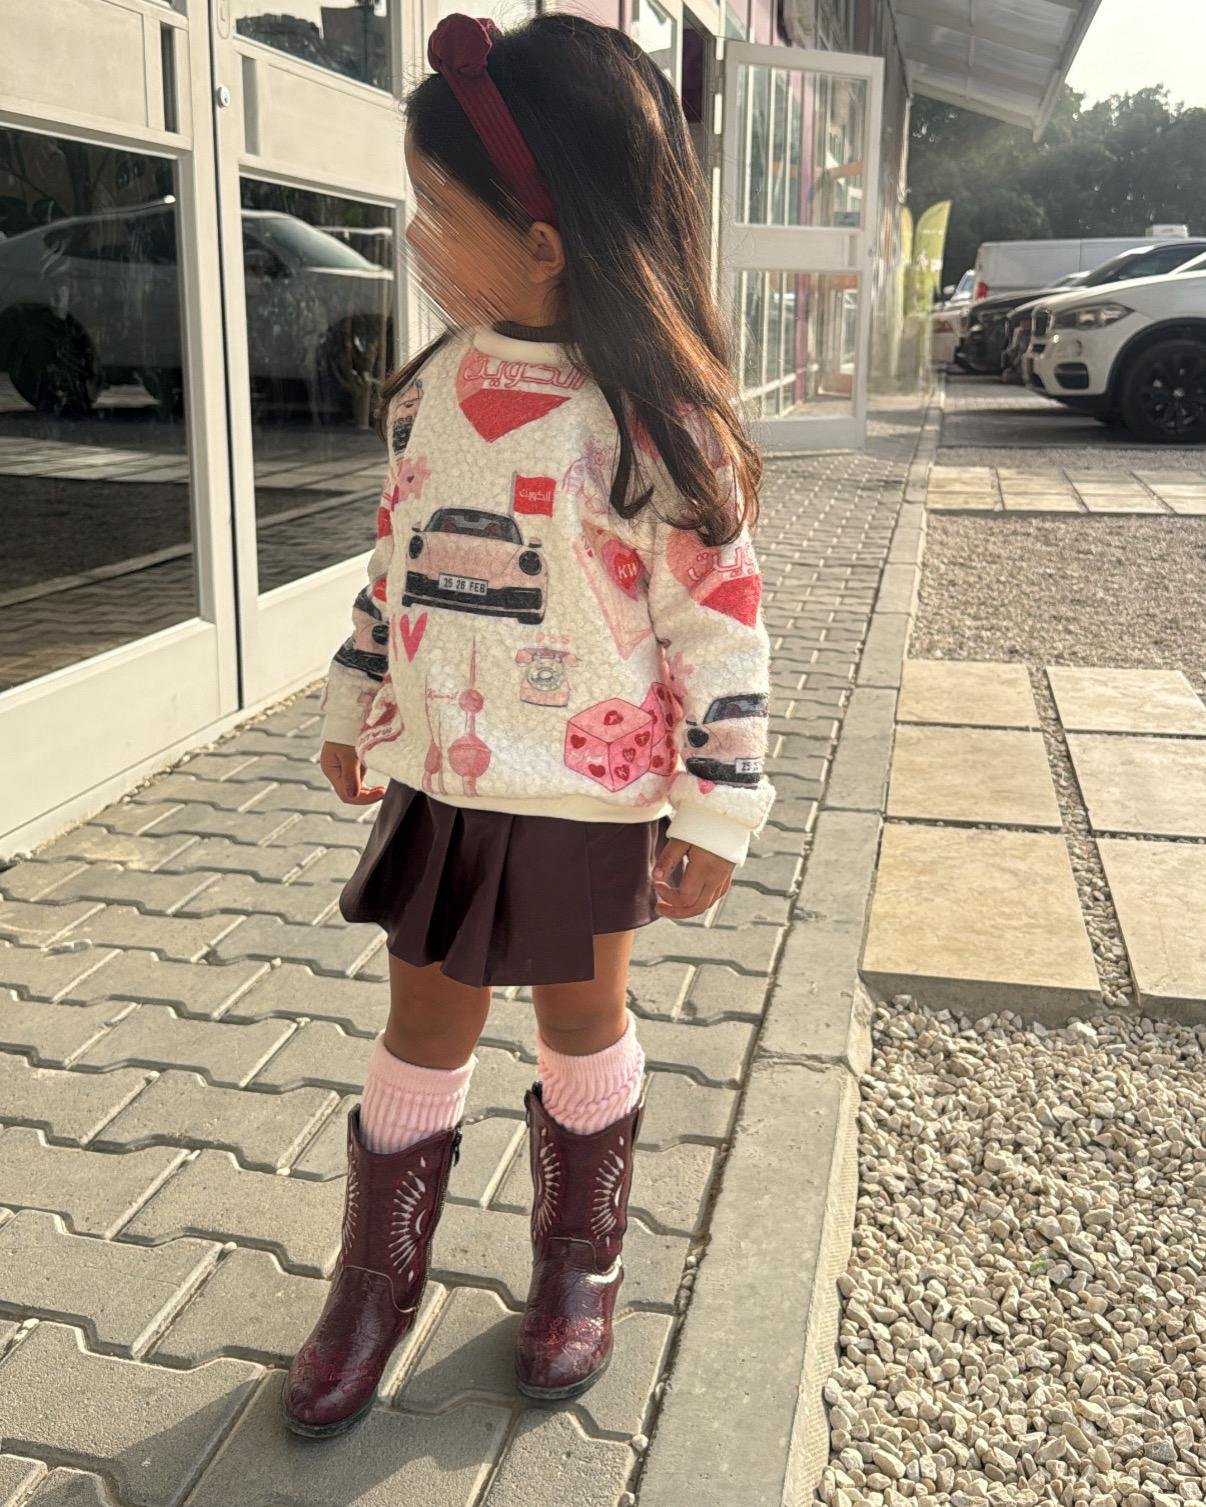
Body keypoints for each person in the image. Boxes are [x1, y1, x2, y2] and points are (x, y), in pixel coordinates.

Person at [282, 9, 776, 1439]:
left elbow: (720, 624)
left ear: (545, 241)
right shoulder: (428, 393)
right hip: (439, 784)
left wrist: (719, 805)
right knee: (422, 1024)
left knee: (581, 1021)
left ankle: (579, 1261)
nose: (417, 238)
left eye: (441, 212)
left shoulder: (655, 422)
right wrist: (356, 696)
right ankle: (375, 1279)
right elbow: (391, 567)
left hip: (586, 794)